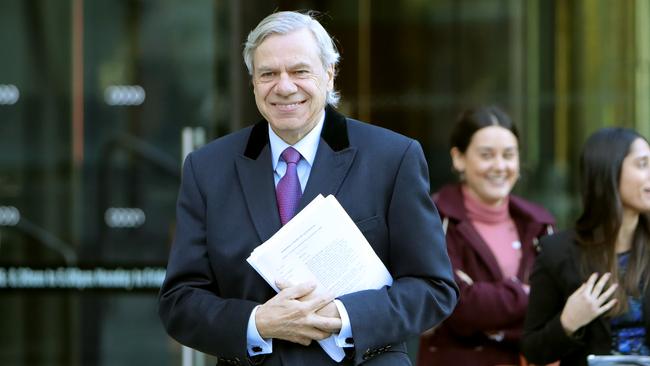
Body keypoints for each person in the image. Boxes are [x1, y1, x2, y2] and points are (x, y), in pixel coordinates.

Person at [158, 10, 458, 366]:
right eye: (268, 74)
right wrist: (258, 323)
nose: (284, 87)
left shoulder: (393, 158)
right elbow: (180, 301)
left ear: (329, 76)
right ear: (253, 82)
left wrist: (343, 316)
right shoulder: (207, 168)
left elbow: (434, 289)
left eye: (300, 71)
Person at [417, 106, 556, 366]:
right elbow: (458, 307)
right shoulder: (434, 220)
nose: (500, 166)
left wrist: (492, 312)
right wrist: (527, 295)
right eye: (486, 155)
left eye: (509, 155)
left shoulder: (539, 223)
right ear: (458, 158)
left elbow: (554, 306)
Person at [522, 127, 650, 365]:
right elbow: (533, 350)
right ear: (608, 171)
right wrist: (568, 322)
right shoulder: (557, 252)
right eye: (642, 164)